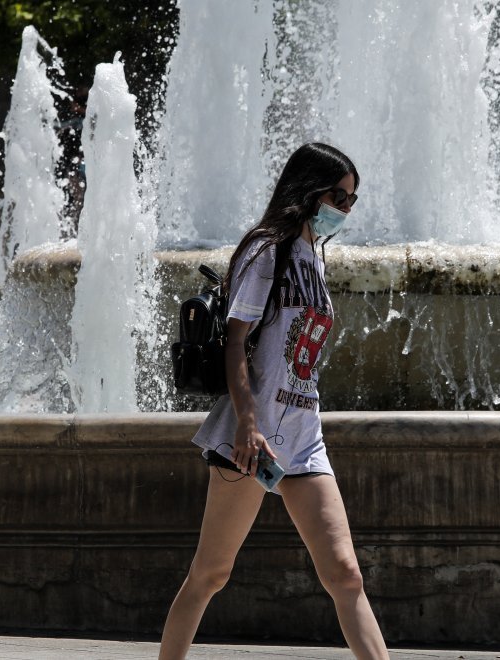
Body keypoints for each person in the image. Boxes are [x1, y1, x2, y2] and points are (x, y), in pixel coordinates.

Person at [159, 143, 388, 660]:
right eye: (338, 197)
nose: (345, 209)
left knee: (345, 575)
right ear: (308, 189)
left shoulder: (314, 257)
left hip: (304, 437)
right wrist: (247, 422)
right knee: (210, 574)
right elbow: (236, 342)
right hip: (252, 437)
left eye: (352, 200)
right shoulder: (267, 249)